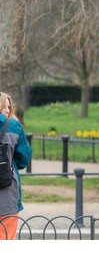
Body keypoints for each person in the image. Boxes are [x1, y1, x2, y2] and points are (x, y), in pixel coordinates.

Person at [0, 92, 32, 240]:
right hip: (7, 192)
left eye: (9, 106)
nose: (7, 110)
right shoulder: (13, 126)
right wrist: (9, 163)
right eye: (3, 106)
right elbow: (24, 158)